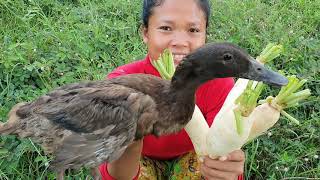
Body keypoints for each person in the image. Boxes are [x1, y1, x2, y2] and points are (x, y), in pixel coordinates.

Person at [99, 0, 245, 179]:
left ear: (205, 35)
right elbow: (115, 175)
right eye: (166, 28)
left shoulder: (219, 84)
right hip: (142, 156)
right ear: (145, 32)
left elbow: (224, 143)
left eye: (193, 30)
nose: (180, 43)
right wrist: (130, 138)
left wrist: (225, 167)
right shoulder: (121, 85)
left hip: (191, 153)